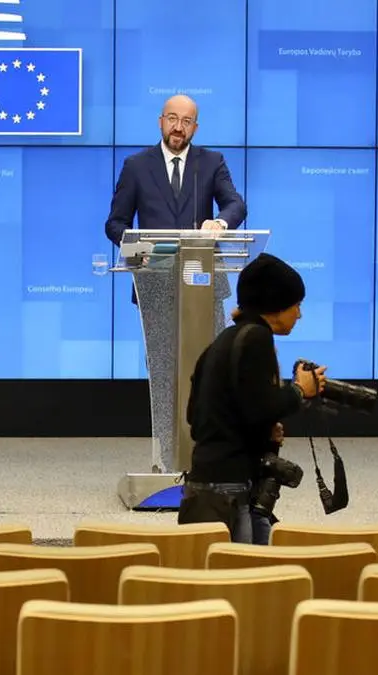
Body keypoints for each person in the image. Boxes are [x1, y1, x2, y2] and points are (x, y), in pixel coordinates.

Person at [104, 94, 248, 472]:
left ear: (195, 127)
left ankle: (211, 460)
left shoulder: (211, 163)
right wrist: (136, 244)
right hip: (155, 287)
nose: (178, 126)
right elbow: (115, 223)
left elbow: (235, 204)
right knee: (166, 376)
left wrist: (221, 223)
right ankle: (168, 463)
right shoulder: (136, 166)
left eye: (186, 121)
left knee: (210, 374)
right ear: (160, 122)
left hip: (201, 286)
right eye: (172, 118)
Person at [177, 253, 326, 543]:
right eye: (296, 304)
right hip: (230, 492)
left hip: (205, 484)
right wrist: (299, 390)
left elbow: (196, 417)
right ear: (275, 305)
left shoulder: (223, 340)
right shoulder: (257, 338)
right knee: (242, 581)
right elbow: (261, 408)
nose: (299, 314)